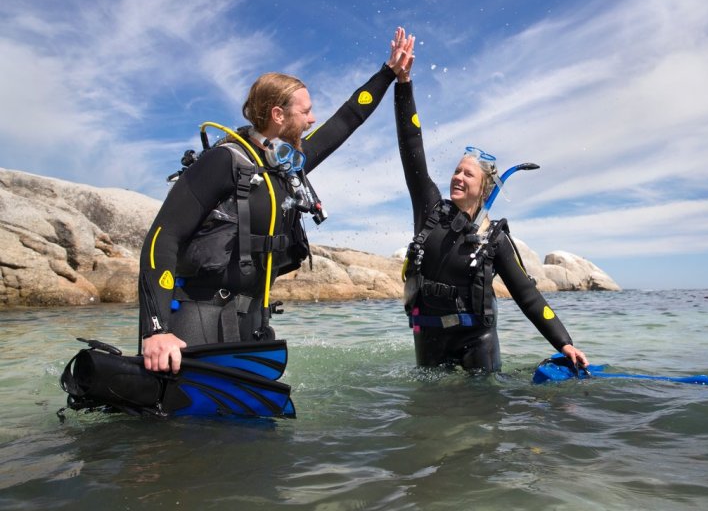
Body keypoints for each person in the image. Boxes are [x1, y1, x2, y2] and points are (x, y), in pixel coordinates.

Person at [139, 28, 415, 374]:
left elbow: (345, 120)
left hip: (252, 321)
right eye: (306, 111)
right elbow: (163, 237)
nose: (312, 119)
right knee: (192, 429)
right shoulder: (225, 161)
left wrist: (389, 73)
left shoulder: (286, 166)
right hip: (199, 319)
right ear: (278, 115)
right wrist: (155, 329)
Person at [392, 28, 588, 372]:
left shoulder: (494, 240)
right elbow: (412, 146)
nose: (457, 176)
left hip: (476, 343)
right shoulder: (429, 210)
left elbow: (529, 297)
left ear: (484, 188)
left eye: (468, 174)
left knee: (480, 415)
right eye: (456, 170)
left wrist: (564, 342)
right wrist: (404, 84)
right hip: (429, 337)